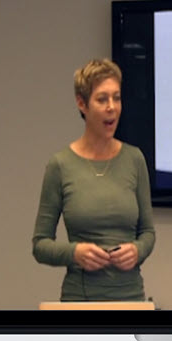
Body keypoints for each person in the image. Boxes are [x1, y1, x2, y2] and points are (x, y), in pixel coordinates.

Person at [32, 58, 155, 302]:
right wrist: (75, 253)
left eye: (116, 98)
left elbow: (148, 233)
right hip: (80, 299)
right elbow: (40, 245)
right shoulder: (60, 165)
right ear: (82, 104)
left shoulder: (134, 159)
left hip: (130, 298)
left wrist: (137, 250)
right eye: (102, 99)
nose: (112, 107)